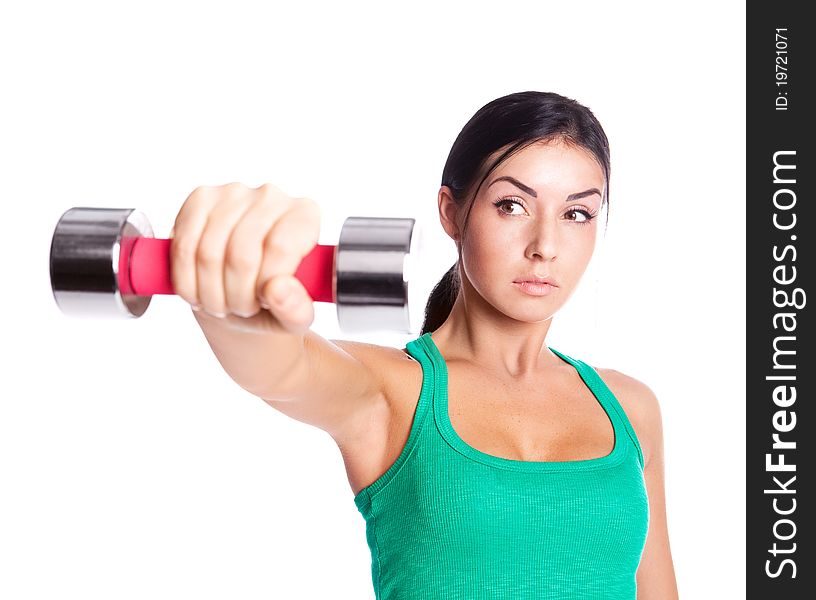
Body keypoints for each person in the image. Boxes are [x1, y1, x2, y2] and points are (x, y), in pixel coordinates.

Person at [169, 90, 679, 599]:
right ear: (451, 212)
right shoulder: (392, 391)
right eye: (512, 205)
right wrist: (230, 305)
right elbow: (281, 368)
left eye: (577, 215)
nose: (545, 246)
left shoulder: (631, 409)